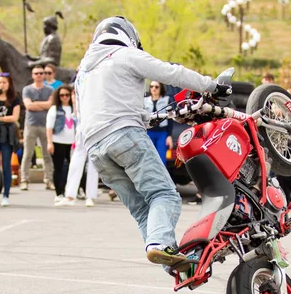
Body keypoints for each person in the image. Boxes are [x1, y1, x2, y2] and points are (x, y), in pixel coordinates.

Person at [74, 16, 231, 271]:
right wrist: (212, 86)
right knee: (164, 195)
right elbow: (171, 72)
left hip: (96, 148)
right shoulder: (124, 55)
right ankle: (161, 242)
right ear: (128, 36)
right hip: (124, 135)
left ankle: (171, 263)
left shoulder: (84, 72)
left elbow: (102, 109)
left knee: (141, 209)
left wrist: (149, 117)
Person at [0, 73, 21, 206]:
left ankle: (6, 195)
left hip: (7, 135)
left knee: (6, 165)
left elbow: (14, 118)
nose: (1, 85)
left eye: (4, 82)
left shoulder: (14, 99)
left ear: (9, 84)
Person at [21, 65, 54, 191]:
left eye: (41, 73)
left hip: (45, 125)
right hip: (31, 124)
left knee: (47, 154)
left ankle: (49, 180)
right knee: (28, 153)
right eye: (36, 73)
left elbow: (50, 105)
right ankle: (24, 179)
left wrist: (36, 104)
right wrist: (43, 105)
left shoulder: (50, 90)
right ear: (32, 75)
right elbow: (28, 106)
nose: (39, 75)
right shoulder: (27, 89)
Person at [55, 125, 99, 207]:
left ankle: (90, 196)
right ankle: (70, 196)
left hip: (95, 125)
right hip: (83, 126)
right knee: (77, 159)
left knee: (93, 160)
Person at [46, 85, 76, 201]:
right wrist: (49, 142)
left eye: (67, 95)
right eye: (62, 95)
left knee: (73, 167)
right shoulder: (54, 109)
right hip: (58, 141)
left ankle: (73, 190)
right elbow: (49, 127)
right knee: (58, 168)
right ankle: (59, 192)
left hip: (72, 142)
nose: (65, 97)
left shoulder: (74, 109)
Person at [143, 81, 173, 166]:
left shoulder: (166, 100)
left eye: (156, 87)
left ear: (161, 88)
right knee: (148, 158)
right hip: (148, 133)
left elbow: (170, 119)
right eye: (152, 86)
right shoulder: (145, 100)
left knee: (161, 159)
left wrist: (169, 135)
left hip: (162, 133)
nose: (154, 89)